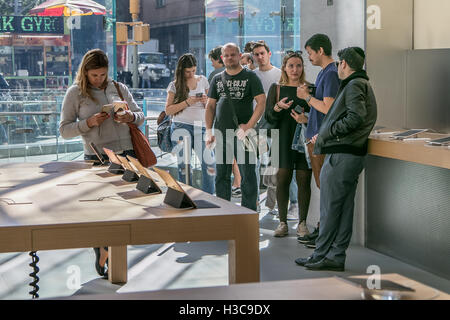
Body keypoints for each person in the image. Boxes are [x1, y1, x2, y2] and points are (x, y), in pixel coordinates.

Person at [59, 49, 144, 278]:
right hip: (97, 159)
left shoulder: (118, 88)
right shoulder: (75, 93)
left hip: (126, 155)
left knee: (126, 211)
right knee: (102, 210)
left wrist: (130, 117)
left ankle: (114, 258)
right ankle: (102, 250)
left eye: (103, 74)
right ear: (85, 72)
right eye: (94, 75)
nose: (99, 79)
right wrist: (87, 123)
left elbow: (140, 114)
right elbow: (64, 129)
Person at [295, 47, 377, 271]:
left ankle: (320, 255)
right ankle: (335, 256)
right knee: (342, 209)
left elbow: (355, 117)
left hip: (342, 154)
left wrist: (328, 132)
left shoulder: (354, 85)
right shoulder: (360, 84)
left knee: (330, 209)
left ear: (344, 64)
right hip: (350, 154)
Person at [205, 43, 266, 211]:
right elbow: (210, 106)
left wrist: (249, 126)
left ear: (240, 56)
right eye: (226, 55)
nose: (230, 58)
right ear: (222, 58)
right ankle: (224, 213)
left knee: (248, 175)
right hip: (221, 134)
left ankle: (248, 213)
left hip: (245, 134)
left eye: (233, 54)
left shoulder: (250, 77)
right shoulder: (217, 79)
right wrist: (209, 131)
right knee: (221, 176)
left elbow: (261, 102)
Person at [295, 33, 341, 246]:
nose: (309, 58)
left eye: (311, 53)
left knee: (326, 188)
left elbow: (328, 108)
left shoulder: (331, 73)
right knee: (323, 188)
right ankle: (323, 230)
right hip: (315, 137)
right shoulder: (325, 72)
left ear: (321, 50)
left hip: (322, 139)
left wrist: (306, 98)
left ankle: (326, 234)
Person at [264, 51, 312, 237]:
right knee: (282, 180)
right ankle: (282, 223)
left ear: (302, 68)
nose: (295, 69)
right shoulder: (276, 88)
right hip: (281, 139)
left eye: (298, 65)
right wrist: (277, 107)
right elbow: (268, 116)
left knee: (303, 181)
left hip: (302, 141)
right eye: (291, 65)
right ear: (284, 67)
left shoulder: (310, 88)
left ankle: (302, 223)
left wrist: (305, 118)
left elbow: (318, 116)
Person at [165, 53, 216, 194]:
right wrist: (188, 102)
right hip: (181, 126)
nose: (191, 74)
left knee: (209, 164)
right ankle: (186, 197)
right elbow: (168, 110)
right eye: (188, 71)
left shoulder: (203, 80)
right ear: (181, 70)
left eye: (193, 70)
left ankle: (208, 196)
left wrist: (206, 101)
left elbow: (211, 106)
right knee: (184, 167)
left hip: (201, 127)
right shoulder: (174, 85)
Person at [250, 40, 282, 216]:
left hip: (274, 126)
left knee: (274, 164)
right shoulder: (250, 75)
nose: (260, 57)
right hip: (254, 127)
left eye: (262, 53)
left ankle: (272, 204)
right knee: (253, 164)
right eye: (256, 54)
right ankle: (254, 201)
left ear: (269, 54)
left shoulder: (279, 74)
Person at [208, 46, 241, 196]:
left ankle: (233, 188)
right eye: (226, 55)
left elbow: (211, 105)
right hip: (233, 128)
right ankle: (238, 183)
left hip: (229, 128)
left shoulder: (215, 76)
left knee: (224, 169)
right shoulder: (217, 77)